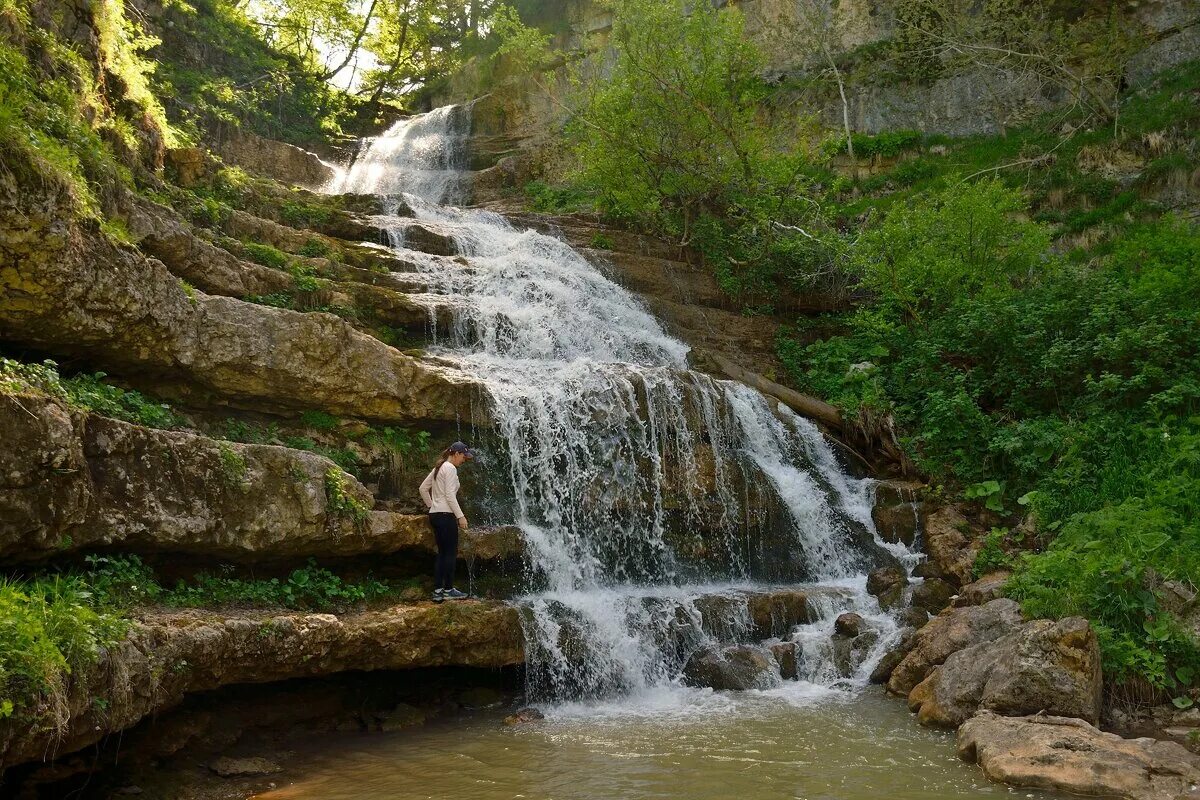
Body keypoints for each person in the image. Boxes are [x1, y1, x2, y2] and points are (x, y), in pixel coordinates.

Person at [418, 441, 477, 602]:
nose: (464, 460)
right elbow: (450, 495)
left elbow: (423, 488)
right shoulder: (450, 468)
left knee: (442, 554)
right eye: (463, 456)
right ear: (456, 454)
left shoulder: (439, 467)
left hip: (436, 515)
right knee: (450, 553)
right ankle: (449, 589)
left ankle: (438, 591)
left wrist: (432, 506)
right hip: (446, 515)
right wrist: (460, 516)